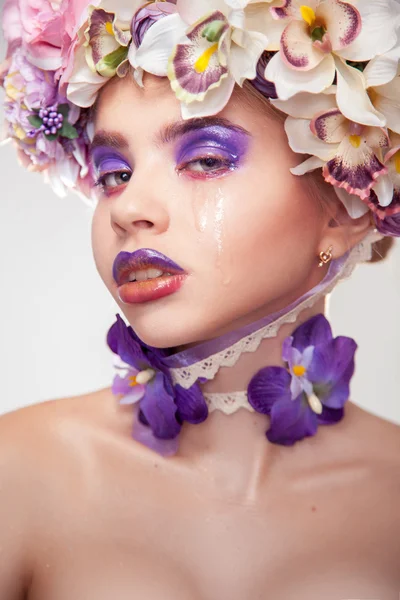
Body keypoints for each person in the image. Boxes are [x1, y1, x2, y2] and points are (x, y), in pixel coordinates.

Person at [1, 1, 399, 598]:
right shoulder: (19, 473)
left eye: (206, 160)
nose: (131, 208)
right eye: (114, 173)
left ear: (344, 208)